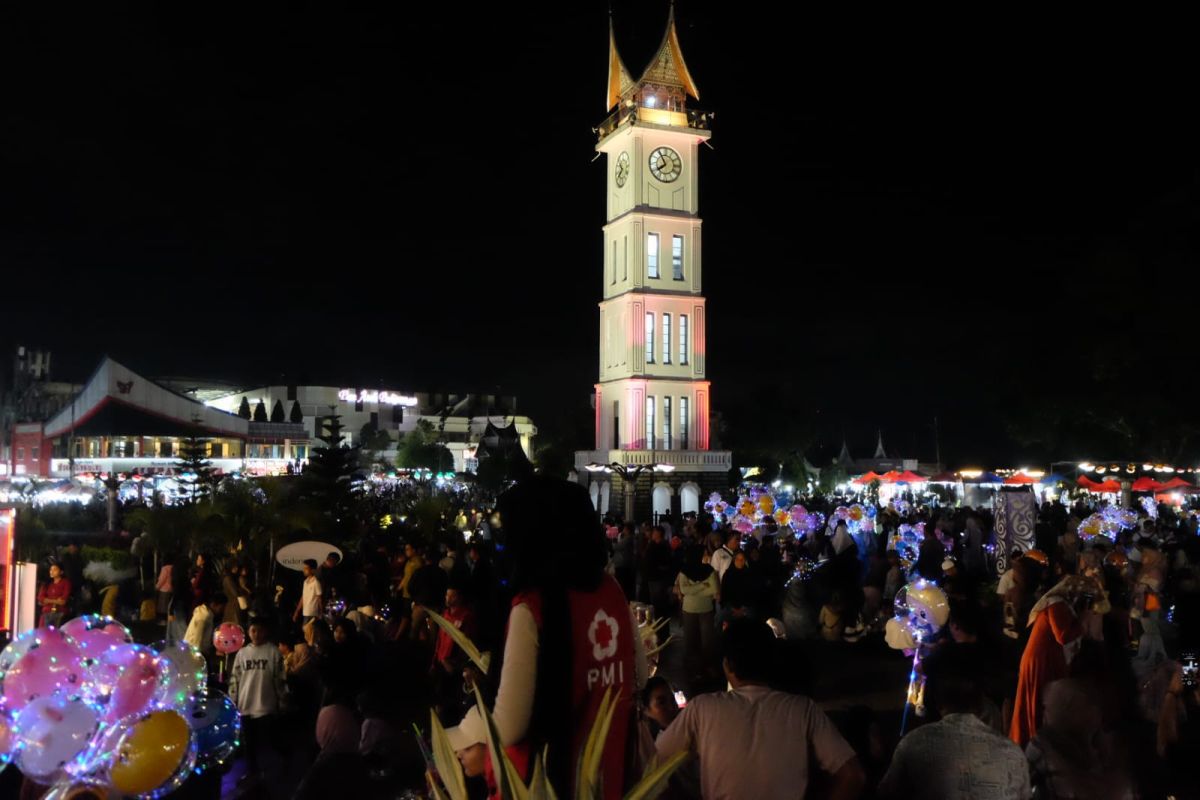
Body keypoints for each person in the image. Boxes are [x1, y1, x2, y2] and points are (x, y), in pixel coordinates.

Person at [446, 477, 646, 798]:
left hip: (552, 781)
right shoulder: (612, 590)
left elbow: (509, 728)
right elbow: (640, 675)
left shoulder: (532, 606)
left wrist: (473, 724)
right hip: (611, 775)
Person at [655, 619, 864, 800]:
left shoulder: (702, 708)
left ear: (727, 665)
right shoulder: (803, 709)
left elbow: (653, 762)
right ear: (772, 662)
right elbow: (853, 776)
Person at [878, 645, 1030, 799]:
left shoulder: (912, 745)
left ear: (934, 699)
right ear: (980, 700)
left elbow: (887, 792)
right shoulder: (1013, 753)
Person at [1010, 575, 1109, 747]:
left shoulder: (1065, 605)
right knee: (1039, 701)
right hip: (1041, 661)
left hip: (1050, 658)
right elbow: (1063, 636)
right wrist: (1083, 620)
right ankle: (1035, 739)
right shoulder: (1056, 604)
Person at [229, 619, 288, 778]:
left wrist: (282, 700)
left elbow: (280, 679)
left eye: (259, 630)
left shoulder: (273, 652)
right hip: (246, 703)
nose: (256, 634)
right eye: (253, 630)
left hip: (266, 704)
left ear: (265, 632)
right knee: (249, 742)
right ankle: (252, 772)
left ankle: (285, 760)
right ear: (248, 632)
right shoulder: (242, 653)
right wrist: (233, 699)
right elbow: (235, 678)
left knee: (272, 738)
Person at [674, 545, 719, 685]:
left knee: (706, 641)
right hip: (696, 609)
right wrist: (703, 586)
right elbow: (684, 590)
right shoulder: (688, 571)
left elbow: (714, 589)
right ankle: (695, 668)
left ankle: (703, 667)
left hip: (699, 608)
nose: (705, 556)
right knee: (692, 640)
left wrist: (693, 589)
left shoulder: (706, 570)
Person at [184, 593, 227, 660]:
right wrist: (196, 657)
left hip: (197, 651)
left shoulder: (207, 615)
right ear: (213, 604)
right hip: (195, 653)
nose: (222, 611)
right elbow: (196, 638)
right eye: (221, 608)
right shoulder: (203, 617)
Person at [37, 561, 72, 628]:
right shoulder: (47, 583)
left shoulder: (66, 582)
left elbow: (63, 601)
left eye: (55, 569)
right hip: (46, 612)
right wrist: (56, 600)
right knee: (44, 632)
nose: (52, 572)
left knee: (56, 632)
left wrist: (47, 600)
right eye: (51, 570)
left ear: (61, 572)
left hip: (60, 613)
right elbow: (40, 598)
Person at [294, 559, 323, 625]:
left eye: (306, 568)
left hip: (312, 612)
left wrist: (321, 613)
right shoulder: (305, 582)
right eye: (304, 568)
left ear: (313, 570)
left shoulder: (316, 582)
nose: (304, 570)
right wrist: (297, 611)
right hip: (305, 611)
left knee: (307, 630)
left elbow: (319, 599)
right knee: (305, 629)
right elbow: (303, 597)